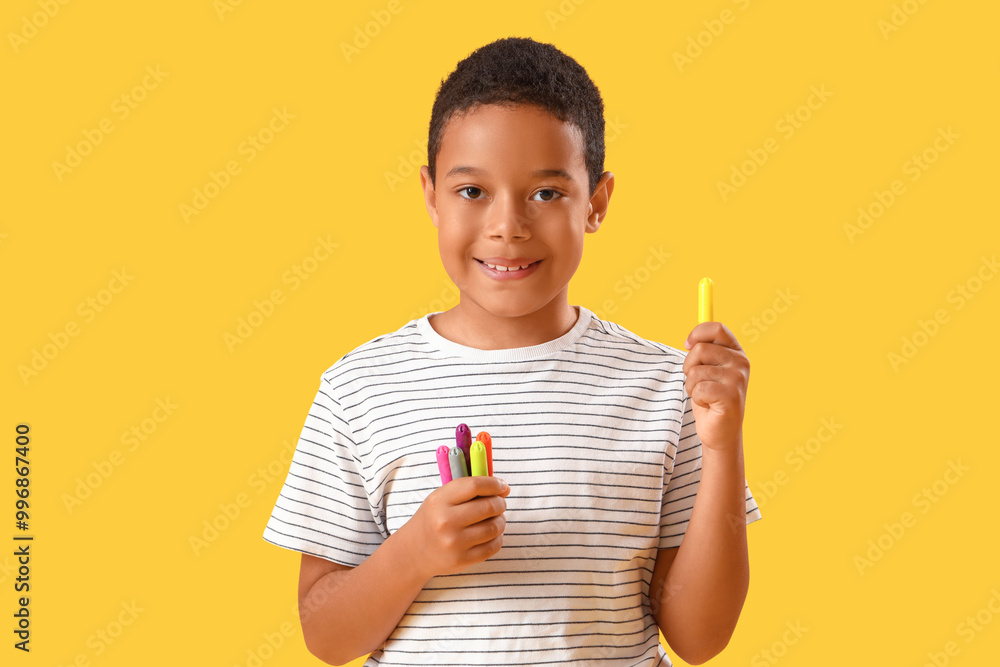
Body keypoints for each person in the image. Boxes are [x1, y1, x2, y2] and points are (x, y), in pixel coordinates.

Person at [263, 36, 762, 666]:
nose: (508, 226)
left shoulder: (669, 388)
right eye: (472, 192)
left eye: (547, 193)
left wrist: (722, 445)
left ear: (597, 203)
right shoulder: (359, 387)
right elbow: (326, 638)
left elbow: (700, 638)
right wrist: (415, 552)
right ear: (430, 195)